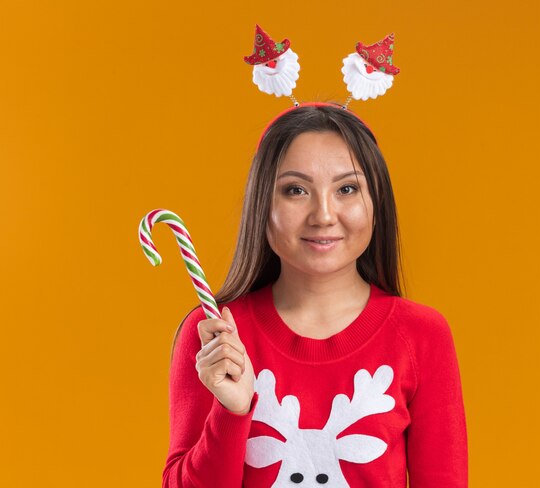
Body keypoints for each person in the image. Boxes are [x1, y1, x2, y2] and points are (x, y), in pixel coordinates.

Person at [162, 103, 468, 487]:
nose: (323, 214)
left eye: (346, 188)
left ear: (377, 204)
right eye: (295, 190)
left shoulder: (422, 336)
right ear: (263, 205)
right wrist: (230, 409)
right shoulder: (216, 335)